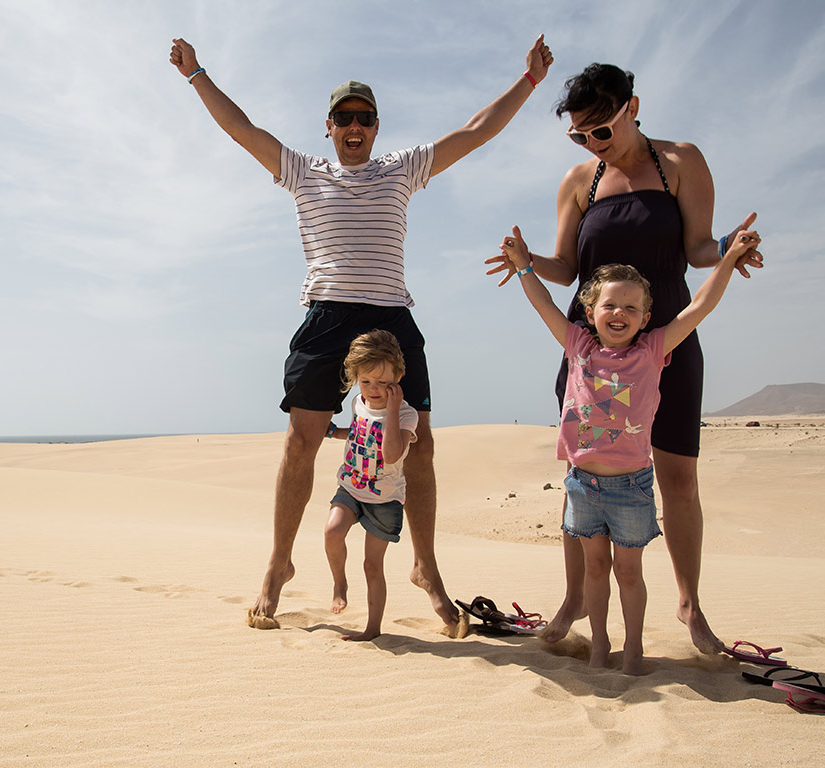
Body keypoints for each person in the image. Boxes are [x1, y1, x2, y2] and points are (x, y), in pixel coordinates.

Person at [169, 35, 554, 631]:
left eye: (364, 118)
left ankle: (425, 566)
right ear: (329, 127)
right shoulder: (302, 171)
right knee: (300, 441)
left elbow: (475, 132)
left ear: (376, 127)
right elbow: (242, 129)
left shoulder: (403, 169)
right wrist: (197, 74)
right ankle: (278, 565)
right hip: (326, 316)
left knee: (422, 443)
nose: (354, 127)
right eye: (344, 118)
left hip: (389, 317)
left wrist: (528, 81)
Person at [485, 63, 763, 653]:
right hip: (592, 356)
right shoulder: (579, 181)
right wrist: (526, 261)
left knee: (679, 477)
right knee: (582, 474)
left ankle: (689, 606)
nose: (592, 143)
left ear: (632, 108)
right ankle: (574, 598)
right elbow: (567, 268)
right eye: (579, 135)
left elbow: (698, 248)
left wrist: (730, 250)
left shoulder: (681, 161)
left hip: (667, 342)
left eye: (601, 130)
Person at [497, 226, 760, 673]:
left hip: (631, 489)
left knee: (629, 573)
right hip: (582, 486)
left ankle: (633, 647)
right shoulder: (577, 344)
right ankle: (600, 645)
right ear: (590, 311)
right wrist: (523, 266)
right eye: (610, 305)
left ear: (645, 317)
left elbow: (700, 306)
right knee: (595, 571)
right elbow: (543, 304)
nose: (619, 313)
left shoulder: (653, 350)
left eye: (631, 307)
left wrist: (729, 260)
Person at [323, 330, 418, 641]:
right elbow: (359, 433)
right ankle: (340, 583)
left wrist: (392, 410)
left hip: (384, 500)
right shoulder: (357, 402)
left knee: (372, 565)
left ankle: (372, 628)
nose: (373, 389)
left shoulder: (406, 415)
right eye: (365, 381)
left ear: (398, 377)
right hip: (351, 487)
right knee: (332, 531)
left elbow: (391, 454)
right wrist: (333, 432)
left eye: (381, 382)